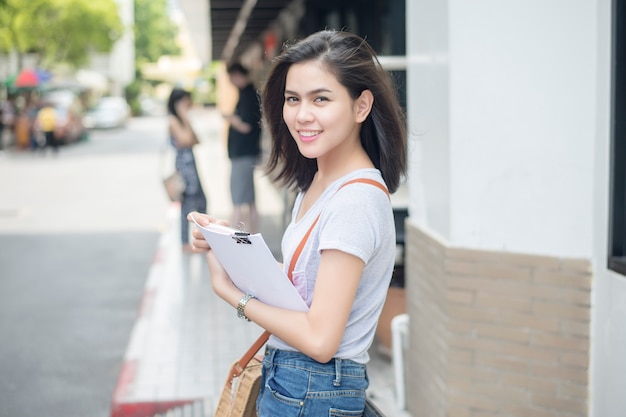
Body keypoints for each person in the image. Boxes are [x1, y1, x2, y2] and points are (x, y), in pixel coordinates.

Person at [189, 30, 406, 416]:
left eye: (320, 99)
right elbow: (307, 285)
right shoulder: (318, 184)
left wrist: (233, 295)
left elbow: (321, 340)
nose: (302, 115)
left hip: (312, 391)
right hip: (298, 385)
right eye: (293, 99)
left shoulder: (354, 201)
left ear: (361, 106)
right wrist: (228, 248)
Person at [223, 62, 262, 233]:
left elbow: (246, 126)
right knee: (249, 198)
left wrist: (229, 118)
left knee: (238, 199)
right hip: (245, 153)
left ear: (237, 75)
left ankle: (232, 238)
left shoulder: (248, 95)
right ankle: (253, 234)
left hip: (243, 154)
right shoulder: (248, 94)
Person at [167, 88, 207, 252]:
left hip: (191, 165)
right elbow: (185, 139)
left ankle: (202, 240)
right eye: (185, 102)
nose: (188, 105)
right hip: (184, 167)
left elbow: (196, 140)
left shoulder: (182, 121)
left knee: (202, 201)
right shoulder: (173, 120)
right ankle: (185, 243)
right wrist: (185, 117)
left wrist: (187, 121)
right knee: (188, 204)